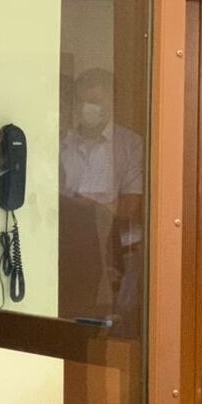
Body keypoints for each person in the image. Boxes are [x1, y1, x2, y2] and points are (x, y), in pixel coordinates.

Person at [58, 68, 144, 333]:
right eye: (82, 101)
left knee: (107, 325)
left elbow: (131, 204)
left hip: (111, 247)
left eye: (95, 102)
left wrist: (91, 208)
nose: (88, 108)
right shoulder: (60, 143)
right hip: (67, 248)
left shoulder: (129, 145)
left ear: (111, 103)